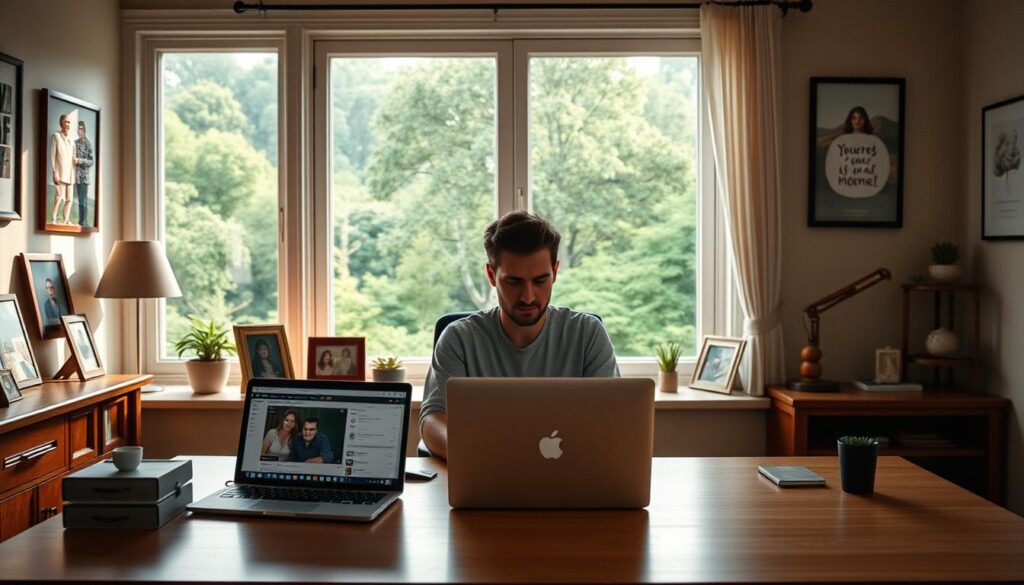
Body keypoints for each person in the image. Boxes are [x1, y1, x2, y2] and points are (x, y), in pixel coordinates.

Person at [419, 211, 619, 460]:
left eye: (540, 280)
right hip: (483, 476)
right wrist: (478, 454)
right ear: (492, 276)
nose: (528, 296)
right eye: (514, 281)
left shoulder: (588, 334)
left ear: (555, 272)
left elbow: (609, 420)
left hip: (570, 479)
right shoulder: (459, 338)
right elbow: (433, 418)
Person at [49, 114, 75, 224]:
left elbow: (73, 159)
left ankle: (66, 219)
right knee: (59, 196)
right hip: (59, 172)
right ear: (61, 123)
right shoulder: (56, 136)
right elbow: (52, 155)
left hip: (70, 174)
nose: (68, 124)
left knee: (69, 199)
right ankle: (54, 218)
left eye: (69, 122)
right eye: (66, 122)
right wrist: (54, 172)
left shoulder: (72, 142)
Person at [73, 121, 93, 228]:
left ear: (84, 130)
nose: (80, 131)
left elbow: (91, 161)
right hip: (75, 177)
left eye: (81, 129)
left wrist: (79, 161)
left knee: (83, 200)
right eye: (78, 129)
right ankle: (79, 221)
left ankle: (84, 221)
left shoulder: (88, 143)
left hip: (84, 177)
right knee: (76, 200)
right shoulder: (74, 143)